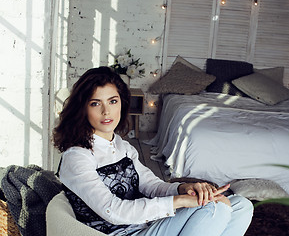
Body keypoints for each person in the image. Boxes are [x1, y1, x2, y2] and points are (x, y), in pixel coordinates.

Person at [53, 66, 253, 236]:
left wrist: (184, 189)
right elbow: (113, 211)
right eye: (96, 103)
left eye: (112, 101)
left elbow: (151, 185)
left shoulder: (122, 146)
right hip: (123, 232)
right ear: (83, 109)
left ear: (121, 102)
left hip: (145, 224)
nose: (106, 111)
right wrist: (180, 201)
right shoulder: (77, 156)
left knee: (241, 205)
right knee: (212, 208)